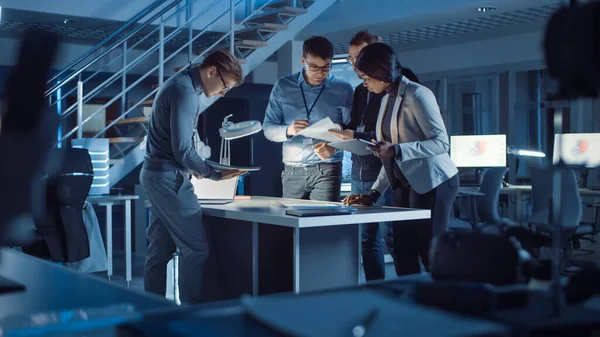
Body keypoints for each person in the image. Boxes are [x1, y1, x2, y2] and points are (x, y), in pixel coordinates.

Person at [343, 43, 459, 276]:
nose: (364, 83)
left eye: (366, 78)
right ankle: (411, 302)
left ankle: (443, 304)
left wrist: (396, 150)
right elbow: (389, 153)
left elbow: (441, 143)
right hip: (404, 182)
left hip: (434, 181)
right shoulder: (386, 98)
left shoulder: (418, 94)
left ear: (380, 73)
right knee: (402, 249)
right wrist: (374, 194)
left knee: (430, 251)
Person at [141, 50, 246, 304]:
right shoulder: (186, 92)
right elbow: (183, 150)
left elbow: (180, 149)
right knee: (196, 250)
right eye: (224, 86)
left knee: (160, 249)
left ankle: (150, 310)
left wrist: (198, 167)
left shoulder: (180, 85)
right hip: (168, 179)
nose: (223, 93)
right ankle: (192, 315)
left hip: (156, 175)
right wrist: (213, 173)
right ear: (211, 71)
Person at [263, 36, 353, 202]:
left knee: (321, 224)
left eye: (326, 67)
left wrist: (334, 147)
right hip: (292, 170)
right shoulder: (283, 86)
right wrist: (288, 130)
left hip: (327, 168)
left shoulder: (343, 89)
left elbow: (353, 130)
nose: (320, 73)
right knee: (290, 224)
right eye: (314, 67)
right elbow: (268, 128)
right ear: (303, 60)